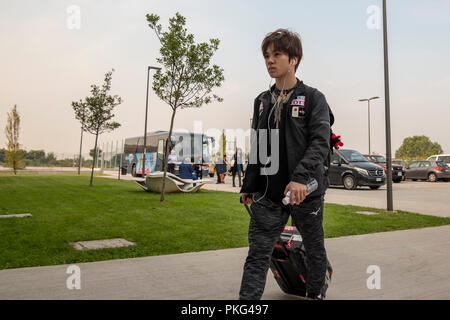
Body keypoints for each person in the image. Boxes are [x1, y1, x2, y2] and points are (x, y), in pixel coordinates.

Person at [239, 29, 334, 300]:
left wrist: (301, 178)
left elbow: (320, 142)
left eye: (277, 54)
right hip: (269, 195)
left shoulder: (314, 98)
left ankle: (315, 295)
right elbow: (258, 146)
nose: (270, 60)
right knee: (257, 256)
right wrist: (249, 185)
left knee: (315, 251)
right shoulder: (262, 101)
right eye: (267, 55)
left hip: (306, 192)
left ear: (293, 59)